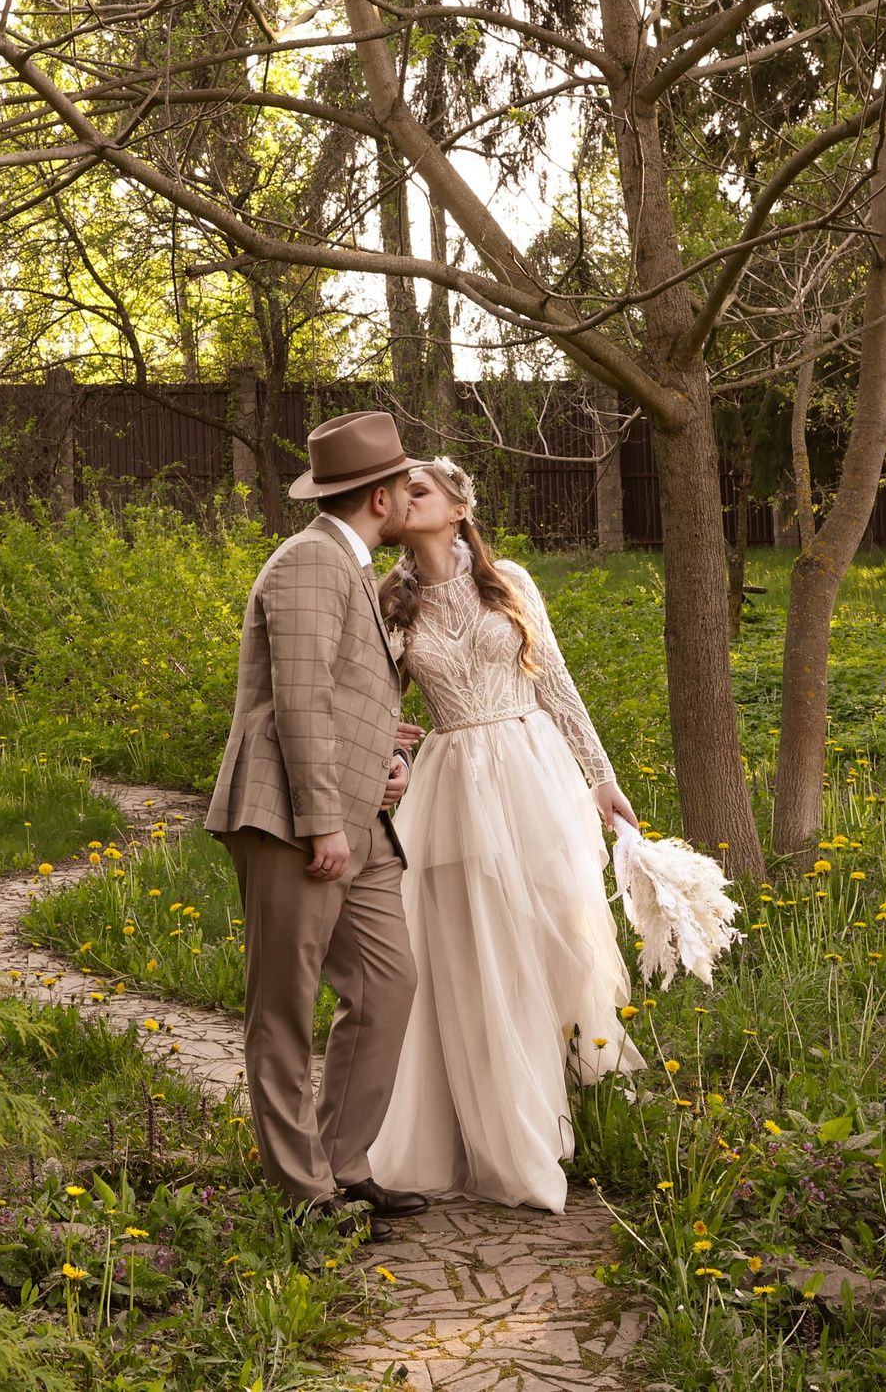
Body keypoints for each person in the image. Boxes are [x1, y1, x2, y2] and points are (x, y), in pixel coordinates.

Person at [366, 457, 645, 1213]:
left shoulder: (510, 579)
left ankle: (558, 1110)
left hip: (532, 774)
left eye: (420, 488)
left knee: (545, 941)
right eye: (399, 493)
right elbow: (376, 705)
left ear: (458, 508)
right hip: (452, 780)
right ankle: (502, 1135)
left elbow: (554, 682)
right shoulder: (390, 601)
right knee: (472, 954)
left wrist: (602, 774)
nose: (403, 498)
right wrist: (389, 756)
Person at [204, 411, 433, 1225]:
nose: (414, 497)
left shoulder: (349, 562)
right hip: (297, 823)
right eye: (408, 487)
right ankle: (303, 1193)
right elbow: (297, 702)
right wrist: (325, 821)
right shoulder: (308, 561)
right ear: (380, 497)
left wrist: (384, 755)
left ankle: (342, 1162)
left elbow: (333, 694)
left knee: (387, 981)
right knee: (285, 1005)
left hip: (353, 816)